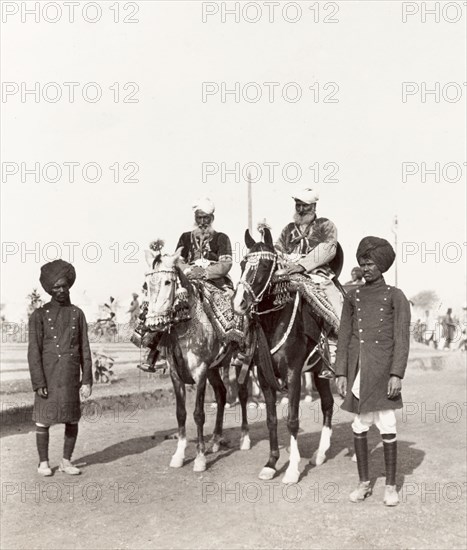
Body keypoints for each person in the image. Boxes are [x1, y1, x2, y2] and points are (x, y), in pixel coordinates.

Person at [335, 237, 411, 506]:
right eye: (362, 263)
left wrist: (396, 374)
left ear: (381, 265)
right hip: (359, 371)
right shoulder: (352, 296)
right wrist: (341, 373)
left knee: (388, 424)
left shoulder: (395, 295)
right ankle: (364, 483)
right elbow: (344, 336)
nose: (365, 268)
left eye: (370, 263)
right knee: (359, 424)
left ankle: (390, 487)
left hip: (384, 370)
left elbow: (402, 338)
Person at [28, 260, 92, 476]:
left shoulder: (77, 313)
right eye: (56, 287)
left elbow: (85, 349)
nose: (61, 290)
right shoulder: (39, 315)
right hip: (48, 376)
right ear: (49, 289)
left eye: (64, 285)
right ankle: (43, 463)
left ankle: (66, 461)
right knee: (43, 420)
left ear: (69, 285)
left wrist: (87, 381)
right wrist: (38, 383)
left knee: (72, 417)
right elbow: (33, 352)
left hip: (71, 376)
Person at [275, 187, 344, 378]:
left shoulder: (325, 225)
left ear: (313, 206)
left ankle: (335, 352)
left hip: (317, 274)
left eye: (304, 205)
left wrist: (303, 265)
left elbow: (329, 248)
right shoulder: (288, 229)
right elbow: (277, 249)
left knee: (335, 305)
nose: (300, 209)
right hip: (288, 273)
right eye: (298, 205)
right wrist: (284, 261)